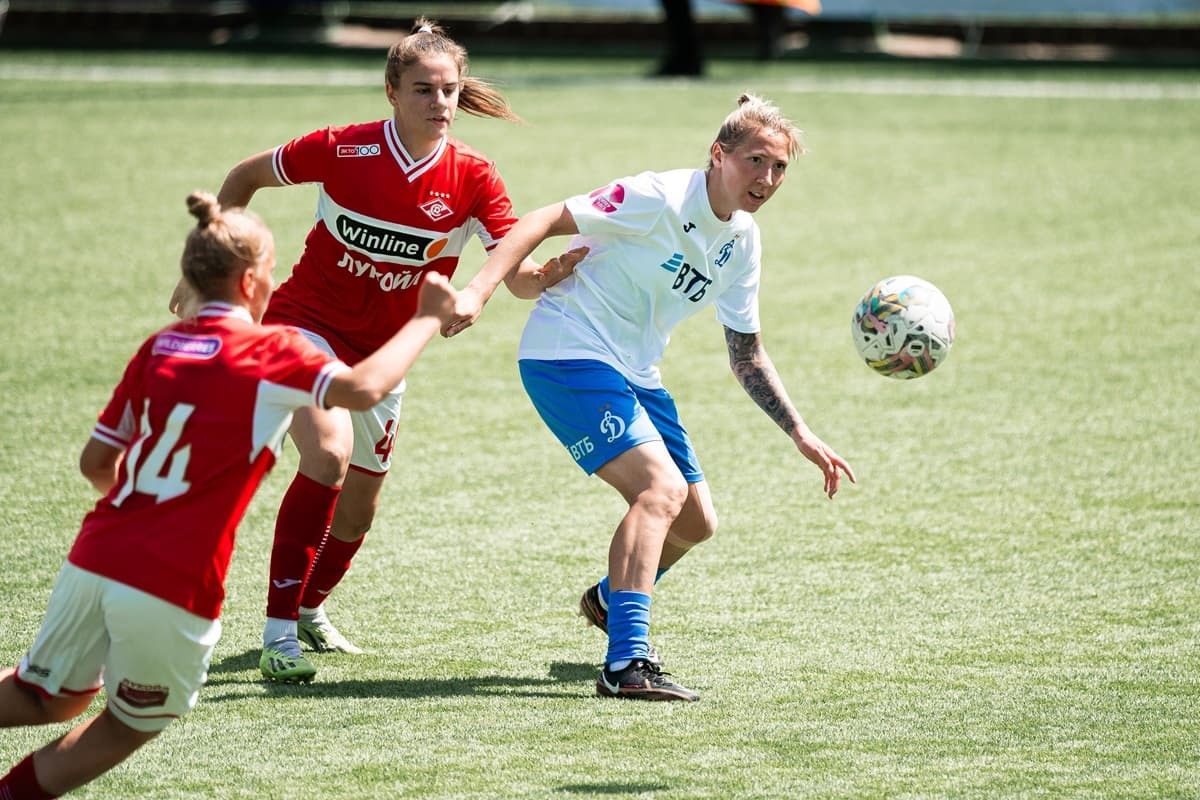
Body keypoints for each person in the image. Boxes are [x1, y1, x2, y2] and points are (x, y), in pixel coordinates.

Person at [0, 191, 460, 798]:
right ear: (251, 282)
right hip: (172, 578)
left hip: (96, 554)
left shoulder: (160, 345)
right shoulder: (273, 350)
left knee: (46, 695)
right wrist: (427, 316)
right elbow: (366, 387)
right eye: (272, 270)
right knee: (135, 720)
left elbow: (95, 463)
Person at [169, 18, 582, 683]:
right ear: (391, 91)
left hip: (387, 356)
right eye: (423, 90)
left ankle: (307, 608)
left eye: (448, 90)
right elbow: (243, 178)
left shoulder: (474, 177)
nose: (440, 104)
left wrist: (543, 277)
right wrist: (207, 279)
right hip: (305, 326)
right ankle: (279, 637)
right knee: (327, 455)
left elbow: (514, 277)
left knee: (359, 507)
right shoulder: (343, 150)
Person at [443, 93, 856, 702]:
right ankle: (627, 661)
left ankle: (611, 599)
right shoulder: (656, 197)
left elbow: (747, 354)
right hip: (568, 350)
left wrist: (800, 431)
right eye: (755, 162)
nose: (766, 179)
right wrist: (478, 291)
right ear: (719, 156)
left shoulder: (742, 241)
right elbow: (539, 219)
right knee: (659, 491)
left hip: (635, 369)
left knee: (695, 520)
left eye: (779, 168)